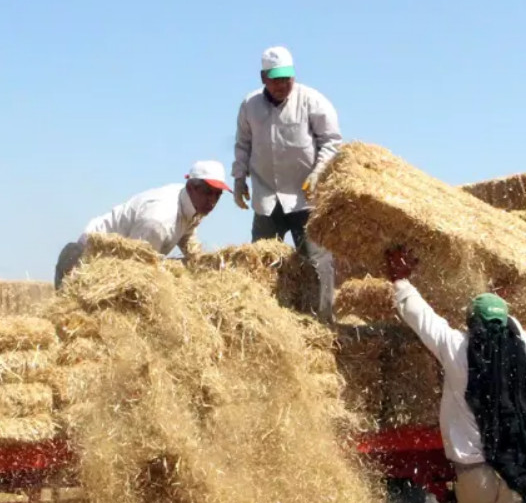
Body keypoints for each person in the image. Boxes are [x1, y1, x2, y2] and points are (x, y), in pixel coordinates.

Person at [385, 247, 526, 503]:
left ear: (472, 324)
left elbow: (421, 318)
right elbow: (512, 327)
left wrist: (400, 278)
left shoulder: (458, 350)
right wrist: (500, 300)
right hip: (520, 471)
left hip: (474, 474)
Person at [232, 45, 342, 322]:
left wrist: (318, 173)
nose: (282, 85)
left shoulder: (312, 101)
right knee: (262, 261)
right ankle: (263, 319)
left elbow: (331, 141)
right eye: (275, 79)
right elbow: (243, 144)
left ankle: (323, 320)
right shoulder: (250, 105)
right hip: (266, 195)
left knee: (318, 263)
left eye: (287, 78)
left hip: (305, 196)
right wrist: (238, 178)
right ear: (263, 78)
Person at [54, 161, 230, 288]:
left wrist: (200, 261)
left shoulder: (193, 205)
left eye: (217, 195)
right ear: (192, 187)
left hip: (117, 264)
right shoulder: (158, 221)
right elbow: (135, 268)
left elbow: (187, 234)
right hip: (85, 264)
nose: (212, 200)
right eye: (208, 192)